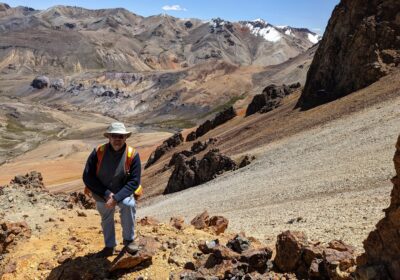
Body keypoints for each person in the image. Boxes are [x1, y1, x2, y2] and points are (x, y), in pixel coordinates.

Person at [82, 122, 142, 258]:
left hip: (123, 192)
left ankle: (129, 240)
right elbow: (87, 176)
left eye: (120, 136)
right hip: (102, 192)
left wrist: (116, 198)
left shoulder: (132, 155)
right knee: (106, 216)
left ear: (125, 138)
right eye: (114, 136)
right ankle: (109, 246)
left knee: (128, 205)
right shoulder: (98, 152)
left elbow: (134, 181)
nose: (117, 139)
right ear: (108, 137)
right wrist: (107, 194)